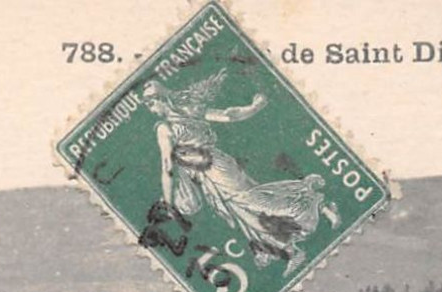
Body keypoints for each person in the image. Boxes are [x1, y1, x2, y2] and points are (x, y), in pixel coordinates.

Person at [140, 73, 340, 273]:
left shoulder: (164, 128)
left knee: (254, 201)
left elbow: (167, 167)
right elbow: (228, 115)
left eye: (150, 104)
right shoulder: (190, 110)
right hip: (217, 168)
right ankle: (290, 248)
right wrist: (254, 107)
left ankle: (315, 203)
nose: (151, 109)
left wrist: (169, 204)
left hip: (214, 170)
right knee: (243, 210)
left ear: (160, 99)